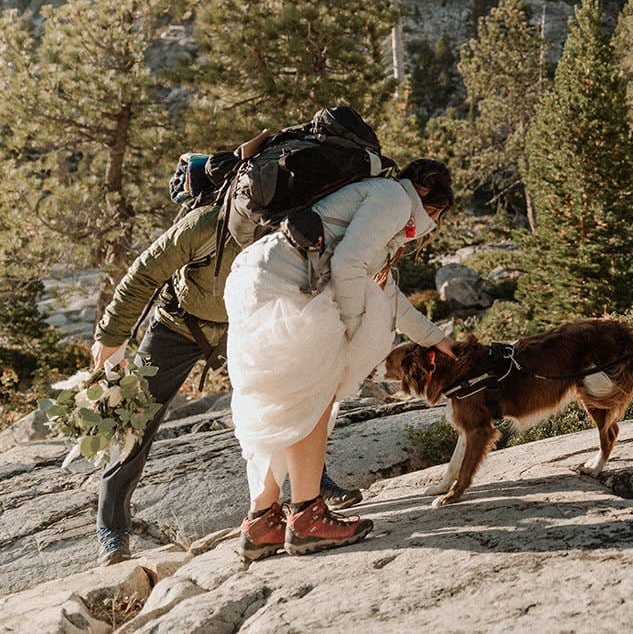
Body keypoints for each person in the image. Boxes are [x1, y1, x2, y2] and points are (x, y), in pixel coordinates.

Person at [88, 159, 359, 568]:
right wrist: (111, 336)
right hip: (178, 326)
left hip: (244, 325)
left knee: (288, 397)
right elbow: (144, 273)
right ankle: (112, 530)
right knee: (137, 421)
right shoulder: (203, 224)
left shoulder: (283, 222)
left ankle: (313, 488)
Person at [227, 159, 458, 558]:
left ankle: (262, 521)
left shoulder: (377, 199)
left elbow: (387, 295)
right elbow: (349, 263)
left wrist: (437, 340)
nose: (431, 225)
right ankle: (307, 518)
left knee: (284, 402)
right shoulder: (394, 200)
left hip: (260, 278)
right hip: (287, 284)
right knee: (313, 395)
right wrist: (346, 332)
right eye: (436, 215)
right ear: (430, 200)